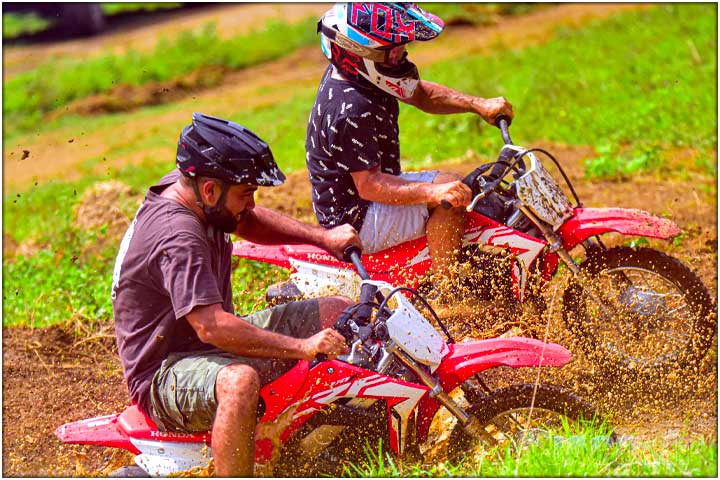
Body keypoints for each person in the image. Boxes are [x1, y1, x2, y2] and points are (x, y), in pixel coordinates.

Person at [111, 113, 361, 477]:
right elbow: (212, 328)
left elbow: (246, 220)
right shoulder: (177, 236)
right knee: (239, 382)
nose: (251, 203)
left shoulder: (197, 192)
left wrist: (321, 237)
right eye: (246, 194)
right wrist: (303, 347)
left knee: (334, 311)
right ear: (210, 190)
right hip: (166, 373)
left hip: (203, 346)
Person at [306, 3, 514, 287]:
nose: (402, 55)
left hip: (365, 198)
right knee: (449, 199)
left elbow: (420, 94)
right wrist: (435, 191)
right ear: (361, 54)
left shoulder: (361, 75)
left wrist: (478, 105)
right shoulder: (349, 108)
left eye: (402, 48)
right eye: (393, 52)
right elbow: (370, 185)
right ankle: (450, 292)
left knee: (461, 188)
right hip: (356, 218)